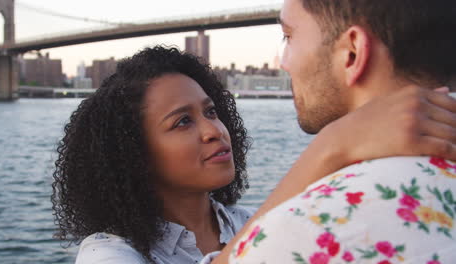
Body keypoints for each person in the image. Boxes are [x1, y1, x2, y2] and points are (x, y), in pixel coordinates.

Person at [52, 45, 456, 264]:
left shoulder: (250, 223)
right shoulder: (107, 254)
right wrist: (331, 148)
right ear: (134, 156)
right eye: (182, 122)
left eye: (211, 112)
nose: (214, 131)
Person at [210, 0, 456, 263]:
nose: (284, 62)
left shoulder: (304, 231)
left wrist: (327, 148)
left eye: (288, 36)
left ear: (352, 52)